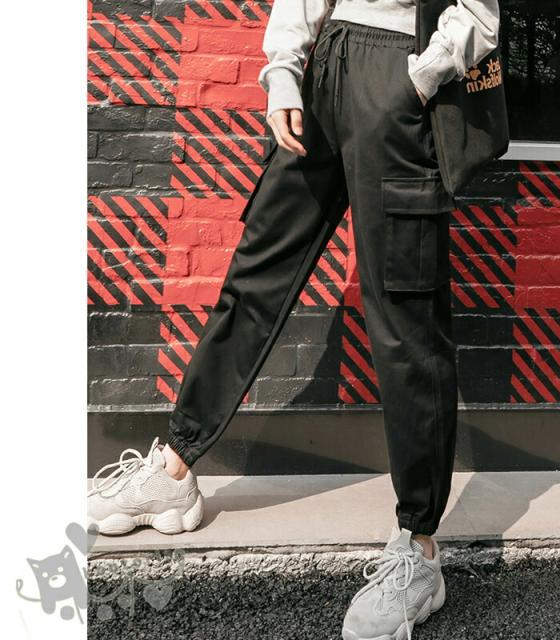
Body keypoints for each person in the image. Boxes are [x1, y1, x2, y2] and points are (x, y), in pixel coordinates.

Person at [88, 1, 500, 637]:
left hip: (396, 77)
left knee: (406, 325)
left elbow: (480, 12)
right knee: (255, 277)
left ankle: (418, 548)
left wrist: (418, 79)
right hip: (323, 75)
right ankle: (174, 468)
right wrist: (284, 71)